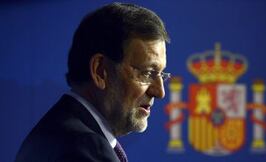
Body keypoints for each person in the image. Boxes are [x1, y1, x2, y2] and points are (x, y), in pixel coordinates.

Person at [15, 2, 170, 162]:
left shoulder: (54, 133)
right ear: (100, 71)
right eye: (147, 73)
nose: (160, 92)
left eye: (161, 75)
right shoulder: (86, 149)